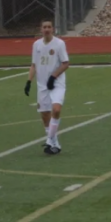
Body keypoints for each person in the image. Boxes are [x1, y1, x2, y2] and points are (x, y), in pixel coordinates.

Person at [24, 19, 70, 155]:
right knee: (45, 114)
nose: (47, 29)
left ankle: (49, 141)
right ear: (41, 29)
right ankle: (54, 144)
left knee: (56, 110)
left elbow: (65, 63)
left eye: (49, 27)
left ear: (53, 29)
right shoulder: (36, 45)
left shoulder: (59, 44)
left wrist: (53, 77)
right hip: (42, 85)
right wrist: (28, 81)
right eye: (44, 27)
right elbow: (34, 65)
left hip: (56, 84)